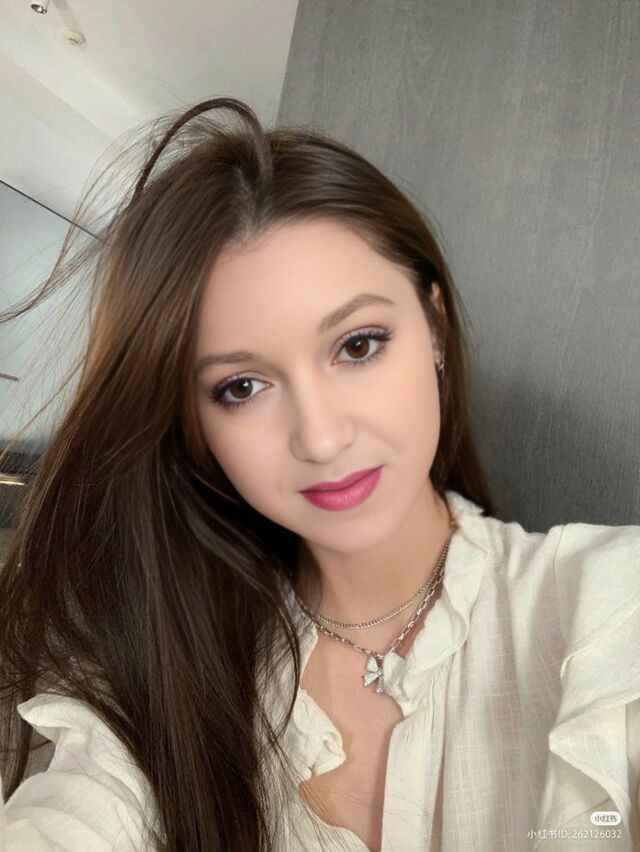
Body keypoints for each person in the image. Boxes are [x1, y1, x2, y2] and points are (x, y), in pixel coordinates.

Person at [0, 97, 638, 852]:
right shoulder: (155, 673)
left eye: (358, 345)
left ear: (434, 325)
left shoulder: (609, 607)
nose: (323, 438)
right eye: (241, 387)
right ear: (192, 424)